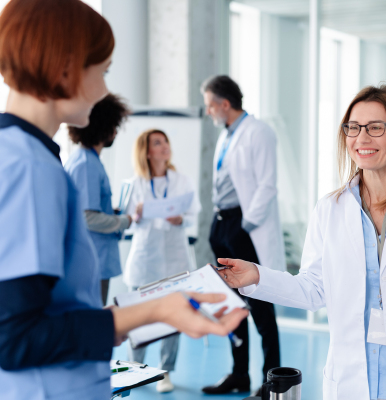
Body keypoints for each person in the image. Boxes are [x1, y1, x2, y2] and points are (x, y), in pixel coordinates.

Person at [0, 1, 248, 399]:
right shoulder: (30, 168)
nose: (103, 91)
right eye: (103, 72)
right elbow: (14, 338)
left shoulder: (28, 156)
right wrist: (153, 311)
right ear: (64, 68)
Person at [215, 84, 386, 399]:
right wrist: (257, 275)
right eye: (353, 127)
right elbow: (313, 289)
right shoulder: (329, 209)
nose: (361, 138)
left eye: (376, 127)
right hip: (349, 381)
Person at [200, 75, 285, 395]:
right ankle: (239, 374)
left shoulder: (258, 132)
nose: (208, 112)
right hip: (222, 223)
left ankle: (271, 380)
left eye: (210, 106)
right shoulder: (227, 135)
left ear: (224, 104)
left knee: (261, 310)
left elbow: (267, 185)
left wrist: (245, 226)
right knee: (233, 306)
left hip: (244, 226)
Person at [123, 128, 201, 393]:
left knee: (173, 314)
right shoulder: (135, 184)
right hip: (146, 256)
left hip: (175, 253)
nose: (165, 146)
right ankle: (135, 369)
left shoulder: (182, 180)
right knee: (138, 316)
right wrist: (136, 215)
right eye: (158, 143)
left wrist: (182, 219)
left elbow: (193, 213)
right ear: (147, 151)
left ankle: (165, 371)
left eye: (166, 141)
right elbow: (128, 222)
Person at [65, 93, 131, 305]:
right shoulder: (86, 164)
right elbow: (88, 217)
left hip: (96, 258)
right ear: (105, 128)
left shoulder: (86, 160)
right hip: (94, 259)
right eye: (115, 127)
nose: (115, 133)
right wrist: (124, 221)